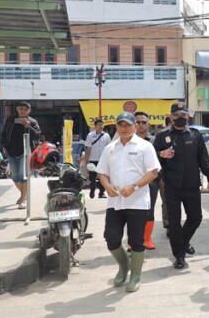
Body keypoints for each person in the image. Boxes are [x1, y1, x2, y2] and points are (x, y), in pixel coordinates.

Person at [95, 112, 161, 293]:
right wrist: (107, 185)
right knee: (111, 238)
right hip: (115, 202)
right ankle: (124, 267)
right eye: (120, 125)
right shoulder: (110, 148)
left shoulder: (145, 146)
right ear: (116, 127)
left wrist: (134, 187)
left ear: (134, 126)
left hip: (137, 202)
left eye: (127, 125)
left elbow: (153, 172)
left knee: (136, 241)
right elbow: (102, 172)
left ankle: (135, 276)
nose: (124, 129)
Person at [153, 101, 209, 269]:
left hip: (192, 184)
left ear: (188, 116)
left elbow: (203, 158)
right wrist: (161, 154)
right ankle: (179, 256)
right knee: (174, 222)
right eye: (177, 115)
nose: (180, 118)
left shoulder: (195, 135)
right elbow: (150, 159)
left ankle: (183, 242)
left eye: (183, 115)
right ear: (171, 116)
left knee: (196, 218)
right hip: (171, 186)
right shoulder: (161, 136)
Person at [0, 101, 41, 209]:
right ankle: (24, 194)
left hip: (25, 152)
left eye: (25, 109)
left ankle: (22, 198)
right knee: (14, 176)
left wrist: (28, 127)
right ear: (17, 109)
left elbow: (37, 135)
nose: (22, 111)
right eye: (20, 109)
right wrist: (3, 146)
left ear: (29, 110)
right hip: (11, 151)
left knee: (24, 175)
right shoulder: (10, 120)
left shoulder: (32, 121)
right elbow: (4, 133)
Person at [134, 111, 161, 250]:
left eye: (144, 122)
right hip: (132, 183)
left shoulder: (155, 141)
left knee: (149, 211)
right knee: (132, 212)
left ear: (148, 124)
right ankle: (133, 241)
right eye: (137, 122)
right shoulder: (126, 141)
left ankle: (147, 239)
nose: (141, 125)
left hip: (151, 182)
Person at [84, 119, 111, 199]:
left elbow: (109, 149)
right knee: (92, 177)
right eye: (99, 125)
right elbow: (88, 148)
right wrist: (87, 160)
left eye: (102, 125)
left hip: (102, 160)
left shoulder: (106, 136)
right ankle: (92, 192)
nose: (101, 126)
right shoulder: (90, 135)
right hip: (92, 159)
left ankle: (101, 193)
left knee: (102, 177)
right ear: (95, 126)